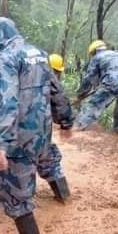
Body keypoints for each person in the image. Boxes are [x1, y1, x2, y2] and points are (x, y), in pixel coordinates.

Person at [0, 17, 70, 234]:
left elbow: (8, 100)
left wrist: (2, 144)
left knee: (17, 194)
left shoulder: (5, 58)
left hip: (18, 136)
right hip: (41, 132)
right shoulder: (38, 52)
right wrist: (66, 120)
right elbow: (55, 89)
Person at [74, 40, 118, 134]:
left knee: (93, 104)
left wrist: (80, 95)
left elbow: (88, 79)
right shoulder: (117, 54)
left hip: (114, 80)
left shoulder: (97, 57)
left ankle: (77, 128)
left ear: (94, 52)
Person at [37, 53, 73, 202]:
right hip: (38, 125)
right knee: (48, 159)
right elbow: (59, 100)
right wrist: (65, 123)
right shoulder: (49, 77)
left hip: (11, 124)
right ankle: (64, 196)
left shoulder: (23, 71)